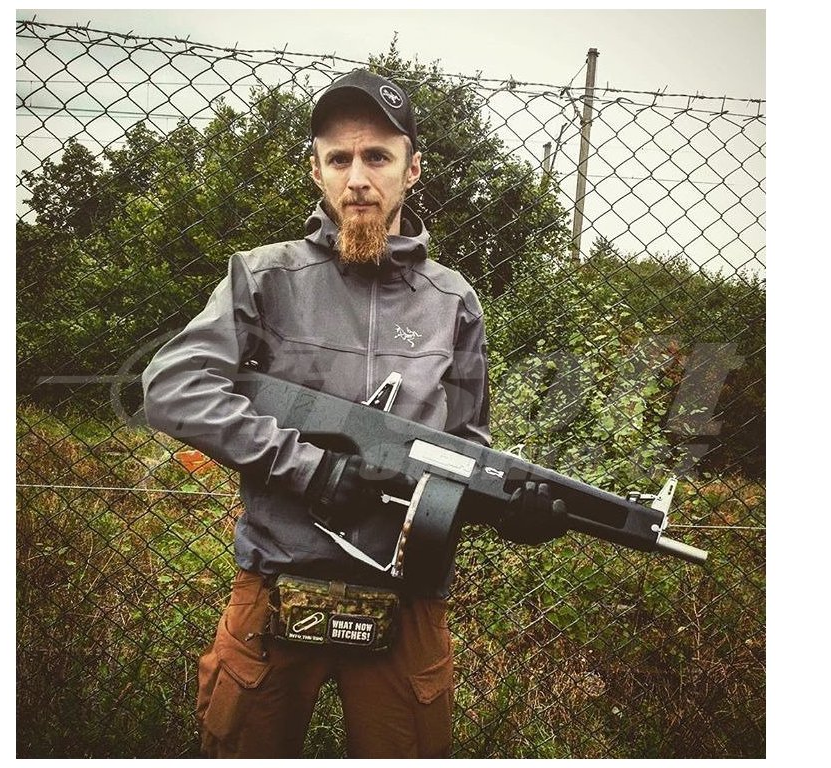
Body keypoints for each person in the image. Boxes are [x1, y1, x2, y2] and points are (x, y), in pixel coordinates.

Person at [141, 69, 566, 759]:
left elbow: (466, 449)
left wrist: (511, 508)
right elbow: (173, 387)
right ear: (316, 171)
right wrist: (309, 469)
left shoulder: (453, 302)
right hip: (277, 586)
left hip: (407, 599)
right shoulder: (264, 278)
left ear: (412, 169)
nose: (358, 179)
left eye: (377, 157)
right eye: (339, 159)